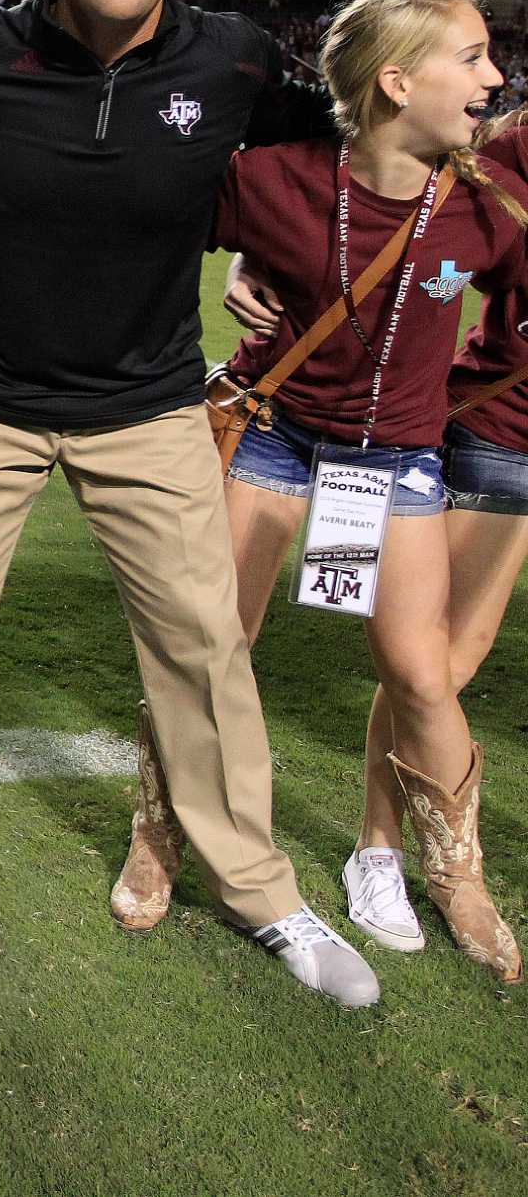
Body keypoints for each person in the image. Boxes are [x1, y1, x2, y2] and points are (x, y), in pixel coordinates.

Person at [0, 0, 378, 1006]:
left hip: (146, 407)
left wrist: (272, 259)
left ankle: (257, 887)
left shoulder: (232, 59)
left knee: (202, 646)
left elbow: (323, 163)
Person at [191, 60, 527, 983]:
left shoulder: (482, 179)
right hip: (454, 433)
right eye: (471, 58)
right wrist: (268, 255)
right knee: (252, 646)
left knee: (429, 669)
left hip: (394, 446)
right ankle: (356, 849)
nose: (493, 77)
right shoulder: (500, 159)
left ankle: (446, 871)